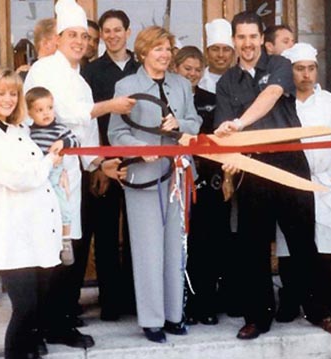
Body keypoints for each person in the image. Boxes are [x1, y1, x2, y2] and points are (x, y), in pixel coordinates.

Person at [214, 11, 331, 340]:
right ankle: (257, 317)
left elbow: (270, 96)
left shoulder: (279, 66)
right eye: (241, 37)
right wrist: (229, 155)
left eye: (253, 37)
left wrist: (240, 125)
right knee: (253, 247)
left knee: (303, 242)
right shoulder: (226, 81)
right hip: (253, 169)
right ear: (234, 41)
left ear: (262, 39)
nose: (247, 43)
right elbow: (223, 130)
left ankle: (319, 311)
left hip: (289, 162)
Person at [23, 0, 132, 347]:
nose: (79, 42)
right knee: (49, 251)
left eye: (84, 37)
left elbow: (85, 135)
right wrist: (111, 106)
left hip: (73, 175)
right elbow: (68, 114)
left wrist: (100, 164)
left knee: (72, 252)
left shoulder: (80, 79)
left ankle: (60, 323)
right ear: (58, 36)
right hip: (47, 175)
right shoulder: (44, 69)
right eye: (72, 35)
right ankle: (36, 329)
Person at [108, 26, 202, 344]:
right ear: (144, 51)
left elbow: (195, 122)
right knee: (148, 249)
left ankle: (175, 315)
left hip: (177, 174)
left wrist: (180, 124)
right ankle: (151, 320)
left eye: (168, 49)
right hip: (144, 178)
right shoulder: (127, 85)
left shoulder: (181, 84)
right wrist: (140, 149)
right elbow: (116, 133)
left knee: (175, 247)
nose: (164, 54)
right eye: (158, 49)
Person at [0, 66, 63, 359]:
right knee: (25, 309)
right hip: (10, 237)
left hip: (32, 234)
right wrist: (48, 161)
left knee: (35, 310)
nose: (8, 99)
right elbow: (19, 177)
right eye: (0, 93)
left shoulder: (17, 130)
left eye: (13, 93)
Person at [273, 43, 331, 328]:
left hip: (325, 183)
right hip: (292, 186)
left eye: (311, 69)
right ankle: (291, 299)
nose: (306, 75)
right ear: (290, 71)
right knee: (291, 250)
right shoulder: (281, 103)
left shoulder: (330, 102)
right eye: (300, 69)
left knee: (328, 247)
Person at [80, 8, 140, 321]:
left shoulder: (140, 67)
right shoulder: (91, 72)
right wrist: (99, 161)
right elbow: (90, 120)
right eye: (107, 31)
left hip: (139, 162)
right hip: (105, 162)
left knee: (136, 232)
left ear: (127, 32)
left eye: (118, 30)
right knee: (105, 234)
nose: (113, 35)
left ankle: (135, 299)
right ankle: (112, 302)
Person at [174, 46, 231, 325]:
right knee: (181, 245)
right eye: (187, 69)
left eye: (198, 69)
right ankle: (180, 305)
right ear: (176, 69)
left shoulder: (212, 98)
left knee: (208, 244)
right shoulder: (170, 99)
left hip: (208, 181)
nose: (193, 74)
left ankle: (205, 304)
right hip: (176, 181)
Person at [27, 86, 80, 266]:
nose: (46, 113)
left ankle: (66, 240)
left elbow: (76, 141)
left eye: (49, 108)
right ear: (30, 113)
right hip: (37, 175)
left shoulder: (59, 129)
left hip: (55, 174)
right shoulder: (28, 132)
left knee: (63, 206)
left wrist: (63, 142)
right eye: (40, 110)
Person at [198, 18, 235, 94]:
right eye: (215, 49)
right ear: (207, 52)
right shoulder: (197, 80)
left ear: (233, 54)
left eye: (226, 49)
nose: (220, 55)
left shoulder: (243, 82)